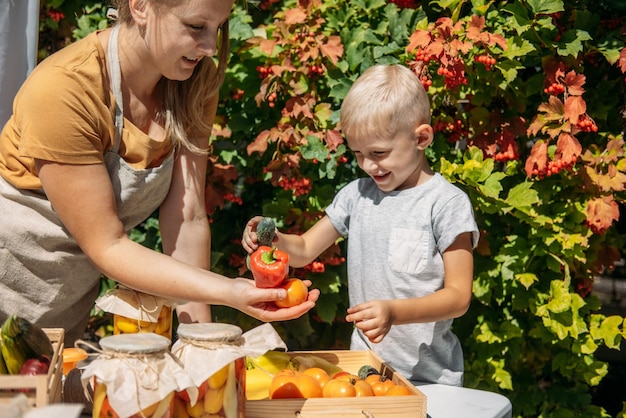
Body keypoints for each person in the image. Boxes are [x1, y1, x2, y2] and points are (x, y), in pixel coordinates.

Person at [0, 0, 319, 346]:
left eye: (219, 27)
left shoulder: (193, 80)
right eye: (197, 27)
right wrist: (228, 291)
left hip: (66, 308)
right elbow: (107, 245)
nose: (211, 47)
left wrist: (200, 343)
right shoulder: (64, 89)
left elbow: (188, 216)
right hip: (9, 291)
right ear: (139, 7)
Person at [243, 64, 479, 386]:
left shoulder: (445, 203)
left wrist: (394, 312)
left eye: (379, 153)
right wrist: (271, 240)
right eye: (358, 153)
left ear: (421, 137)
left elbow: (458, 296)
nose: (368, 165)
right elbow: (305, 250)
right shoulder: (356, 196)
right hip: (364, 371)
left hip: (431, 378)